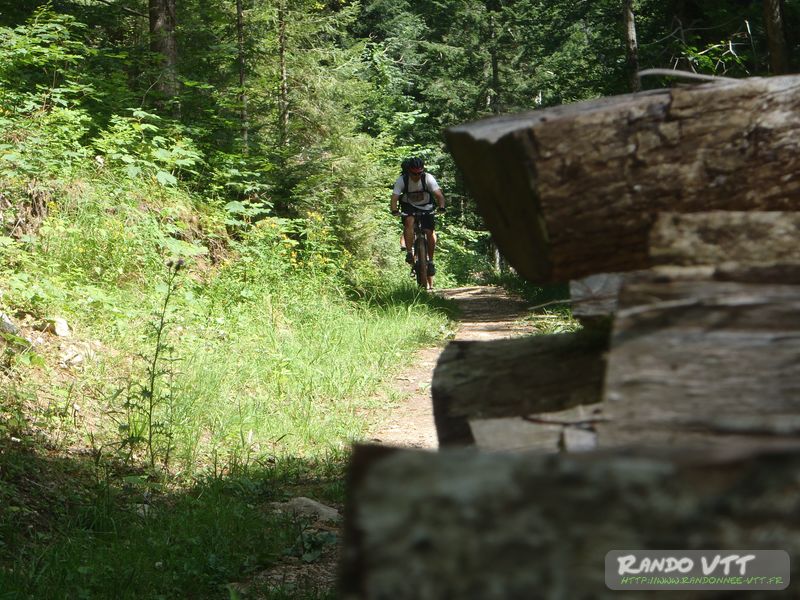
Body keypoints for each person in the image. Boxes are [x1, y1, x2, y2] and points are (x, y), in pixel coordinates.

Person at [390, 157, 446, 286]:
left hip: (427, 206)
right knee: (409, 222)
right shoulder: (402, 180)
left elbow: (439, 195)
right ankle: (410, 253)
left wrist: (441, 207)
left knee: (429, 231)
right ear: (408, 171)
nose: (416, 176)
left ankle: (430, 261)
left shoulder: (428, 178)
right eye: (413, 173)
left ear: (422, 171)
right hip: (408, 206)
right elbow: (394, 197)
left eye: (419, 173)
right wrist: (394, 210)